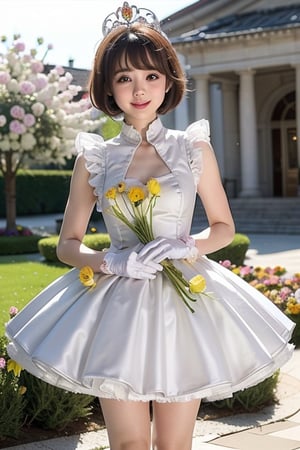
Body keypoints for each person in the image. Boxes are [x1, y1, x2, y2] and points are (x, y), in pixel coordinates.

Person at [6, 3, 295, 450]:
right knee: (128, 446)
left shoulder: (192, 148)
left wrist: (186, 247)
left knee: (174, 446)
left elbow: (222, 226)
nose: (139, 89)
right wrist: (111, 261)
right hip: (115, 307)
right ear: (108, 87)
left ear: (167, 81)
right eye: (124, 78)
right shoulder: (94, 157)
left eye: (151, 76)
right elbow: (67, 244)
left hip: (186, 307)